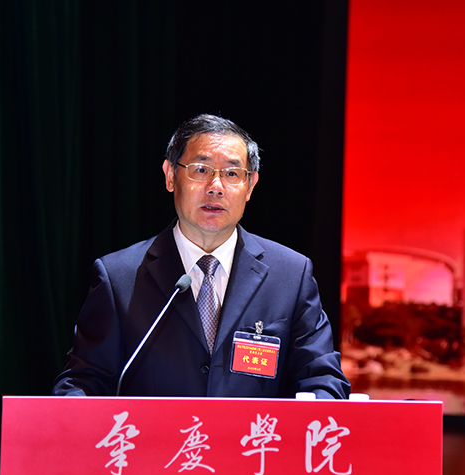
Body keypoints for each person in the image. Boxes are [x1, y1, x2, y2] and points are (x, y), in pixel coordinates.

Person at [52, 114, 350, 399]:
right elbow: (84, 382)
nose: (216, 187)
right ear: (170, 175)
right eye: (201, 170)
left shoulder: (290, 275)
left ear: (250, 186)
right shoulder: (119, 277)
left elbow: (323, 379)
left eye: (232, 174)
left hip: (253, 437)